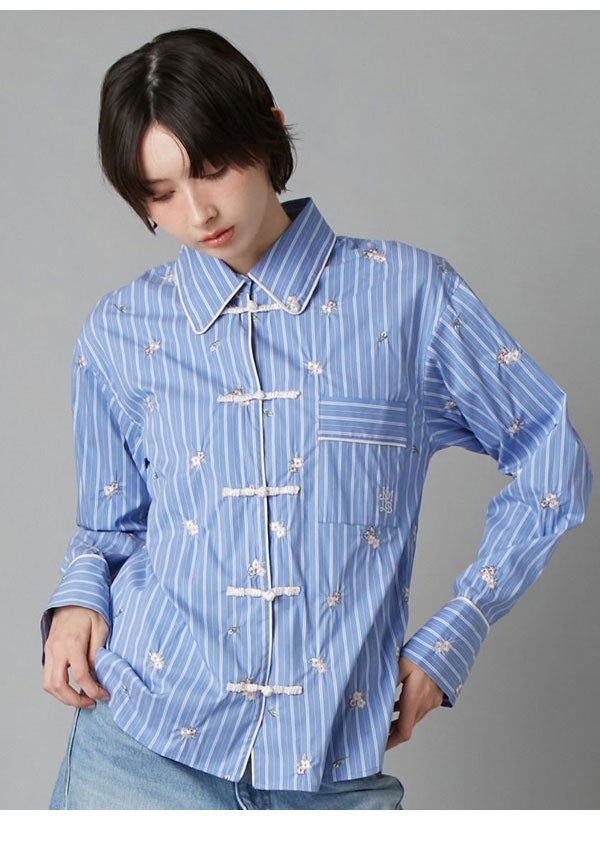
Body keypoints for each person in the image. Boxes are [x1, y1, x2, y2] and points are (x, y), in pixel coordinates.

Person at [41, 27, 591, 810]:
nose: (198, 211)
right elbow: (109, 525)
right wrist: (77, 600)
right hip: (138, 750)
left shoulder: (408, 298)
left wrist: (454, 635)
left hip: (328, 765)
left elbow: (549, 456)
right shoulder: (121, 330)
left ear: (268, 133)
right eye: (161, 193)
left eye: (213, 169)